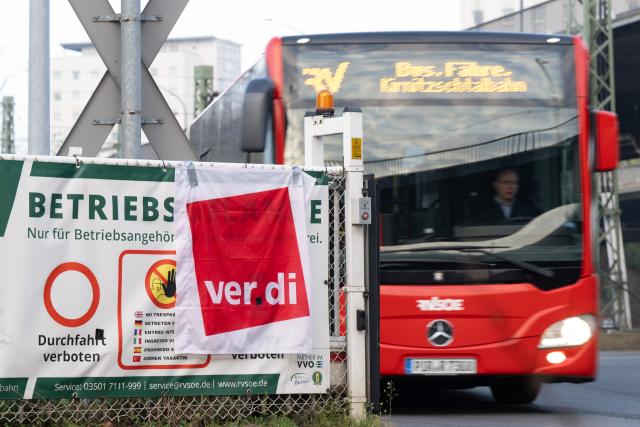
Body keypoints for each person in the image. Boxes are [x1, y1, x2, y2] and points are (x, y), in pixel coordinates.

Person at [474, 168, 539, 223]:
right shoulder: (483, 209)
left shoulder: (527, 210)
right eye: (506, 182)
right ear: (495, 185)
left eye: (514, 183)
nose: (511, 187)